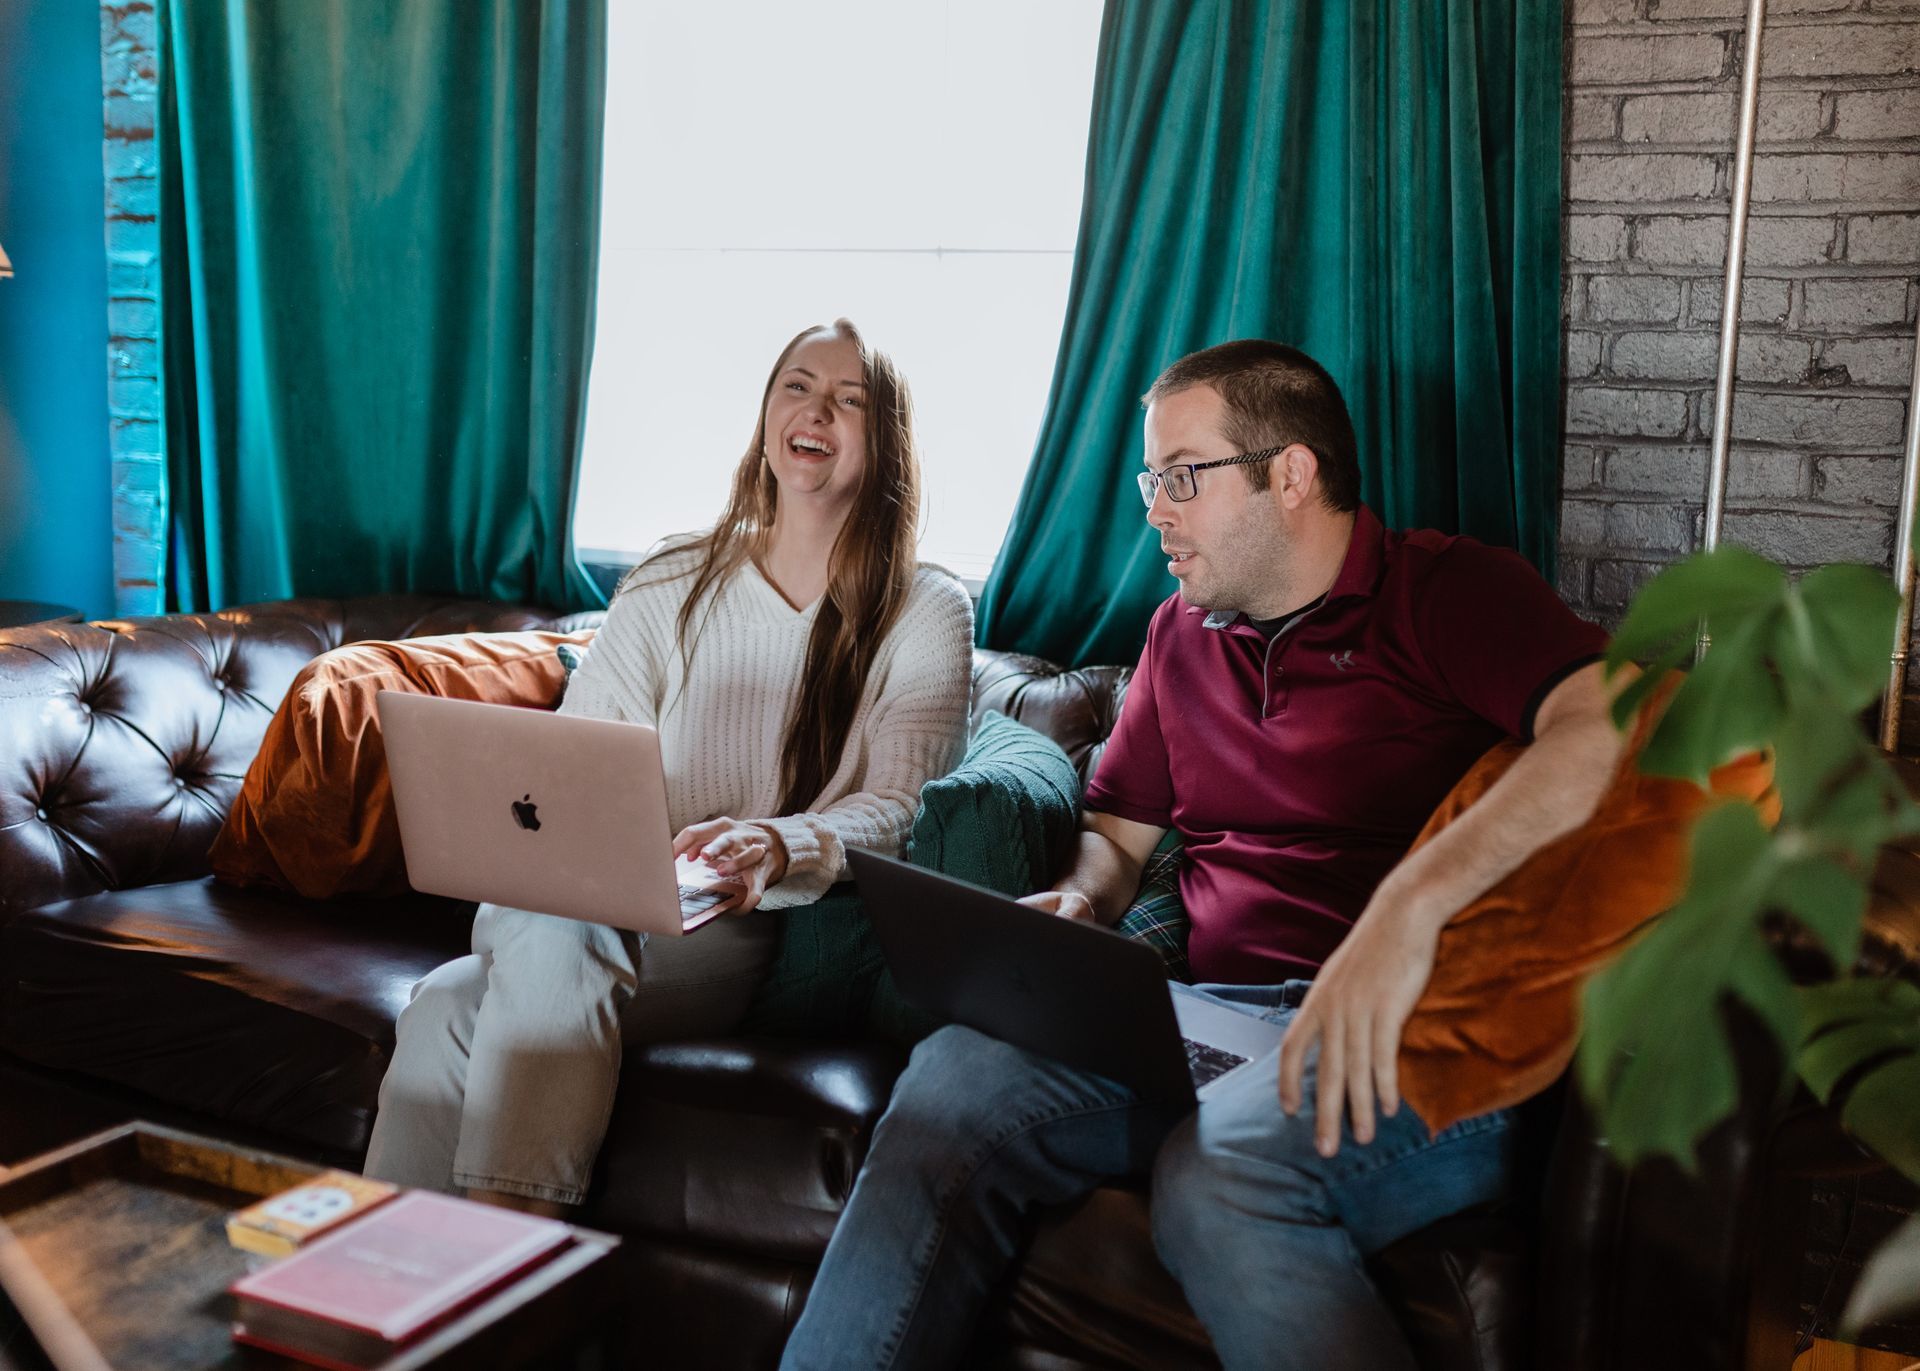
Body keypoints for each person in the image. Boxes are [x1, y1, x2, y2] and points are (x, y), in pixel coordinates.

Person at [778, 339, 1622, 1371]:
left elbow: (1605, 726)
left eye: (1182, 475)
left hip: (1414, 1039)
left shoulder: (1448, 593)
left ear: (1292, 474)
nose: (1154, 508)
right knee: (952, 1077)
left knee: (1213, 1177)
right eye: (1151, 478)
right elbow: (1118, 838)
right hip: (1211, 1021)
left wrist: (1412, 909)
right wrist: (1082, 907)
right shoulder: (1179, 635)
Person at [364, 319, 974, 1215]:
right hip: (590, 901)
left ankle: (489, 1265)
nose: (817, 411)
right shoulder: (673, 573)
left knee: (486, 980)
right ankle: (411, 1300)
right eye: (797, 386)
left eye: (851, 400)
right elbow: (577, 759)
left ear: (885, 443)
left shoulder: (926, 607)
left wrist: (777, 843)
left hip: (736, 926)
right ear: (767, 415)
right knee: (500, 964)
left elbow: (903, 806)